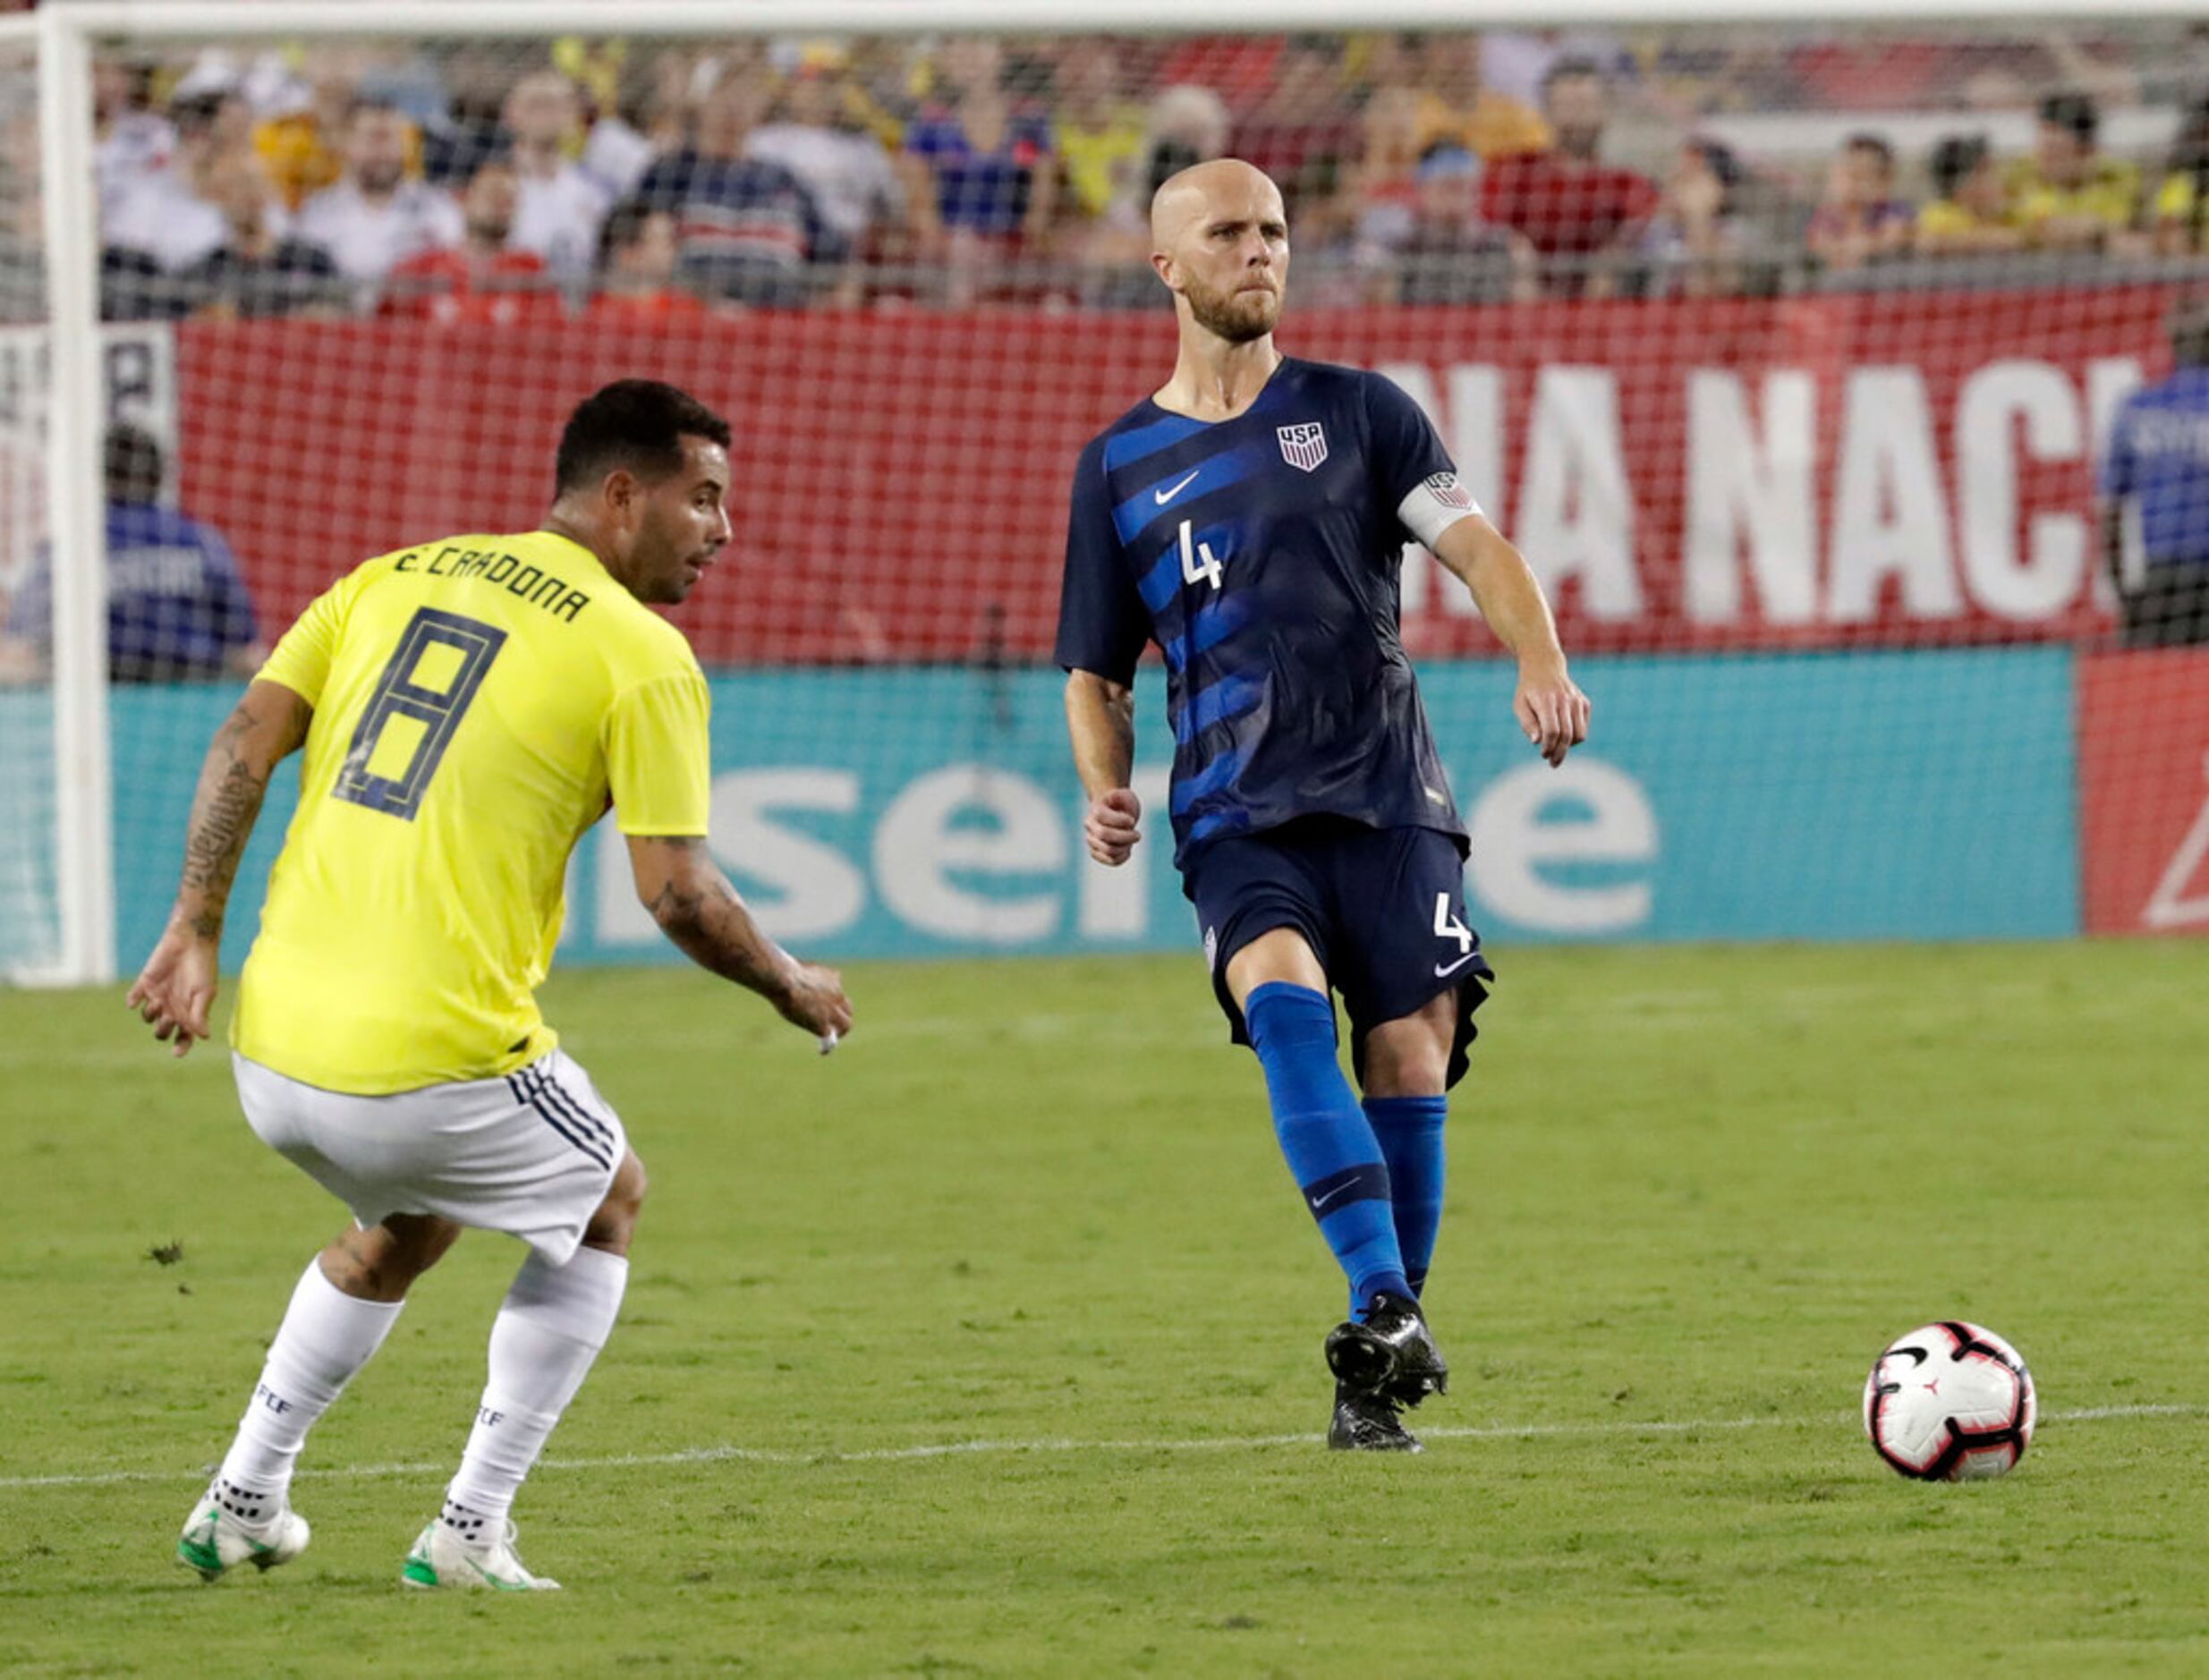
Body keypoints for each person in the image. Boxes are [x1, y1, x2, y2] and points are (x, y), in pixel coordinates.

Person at [128, 380, 854, 1590]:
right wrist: (790, 984)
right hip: (427, 1062)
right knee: (609, 1193)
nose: (724, 528)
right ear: (624, 495)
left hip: (272, 1048)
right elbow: (677, 894)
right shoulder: (642, 655)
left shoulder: (390, 574)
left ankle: (244, 1496)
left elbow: (241, 740)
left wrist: (193, 926)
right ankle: (471, 1528)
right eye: (706, 497)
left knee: (412, 1218)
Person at [1054, 160, 1588, 1452]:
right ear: (1167, 266)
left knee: (1406, 1055)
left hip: (1393, 798)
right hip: (1237, 812)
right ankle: (1386, 1305)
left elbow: (1480, 550)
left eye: (1277, 230)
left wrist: (1541, 656)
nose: (1260, 251)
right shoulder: (1118, 464)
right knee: (1284, 1003)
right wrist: (1104, 783)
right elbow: (1092, 666)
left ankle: (1374, 1353)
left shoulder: (1361, 414)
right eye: (1228, 232)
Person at [0, 425, 263, 683]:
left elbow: (20, 646)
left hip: (95, 709)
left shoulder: (70, 549)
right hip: (195, 708)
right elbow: (244, 648)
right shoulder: (203, 543)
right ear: (159, 476)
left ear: (98, 477)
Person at [1477, 56, 1657, 295]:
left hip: (1601, 311)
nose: (1579, 115)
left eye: (1587, 103)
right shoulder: (1513, 173)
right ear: (1547, 112)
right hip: (1520, 306)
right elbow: (1486, 226)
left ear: (1606, 111)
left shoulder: (1626, 183)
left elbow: (1645, 226)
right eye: (1569, 105)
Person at [2099, 302, 2209, 649]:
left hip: (2161, 578)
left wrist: (2121, 589)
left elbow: (2109, 510)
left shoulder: (2138, 409)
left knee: (2160, 684)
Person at [293, 98, 463, 284]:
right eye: (373, 138)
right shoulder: (318, 212)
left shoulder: (437, 208)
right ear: (346, 144)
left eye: (391, 137)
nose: (383, 151)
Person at [379, 155, 562, 325]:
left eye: (510, 199)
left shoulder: (532, 271)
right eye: (492, 194)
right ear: (463, 198)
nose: (501, 205)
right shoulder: (420, 269)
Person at [1804, 133, 1913, 273]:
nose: (1851, 184)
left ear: (1885, 182)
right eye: (1844, 174)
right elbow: (1819, 243)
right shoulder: (1827, 214)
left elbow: (1895, 238)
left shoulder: (1893, 210)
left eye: (1861, 177)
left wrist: (1864, 246)